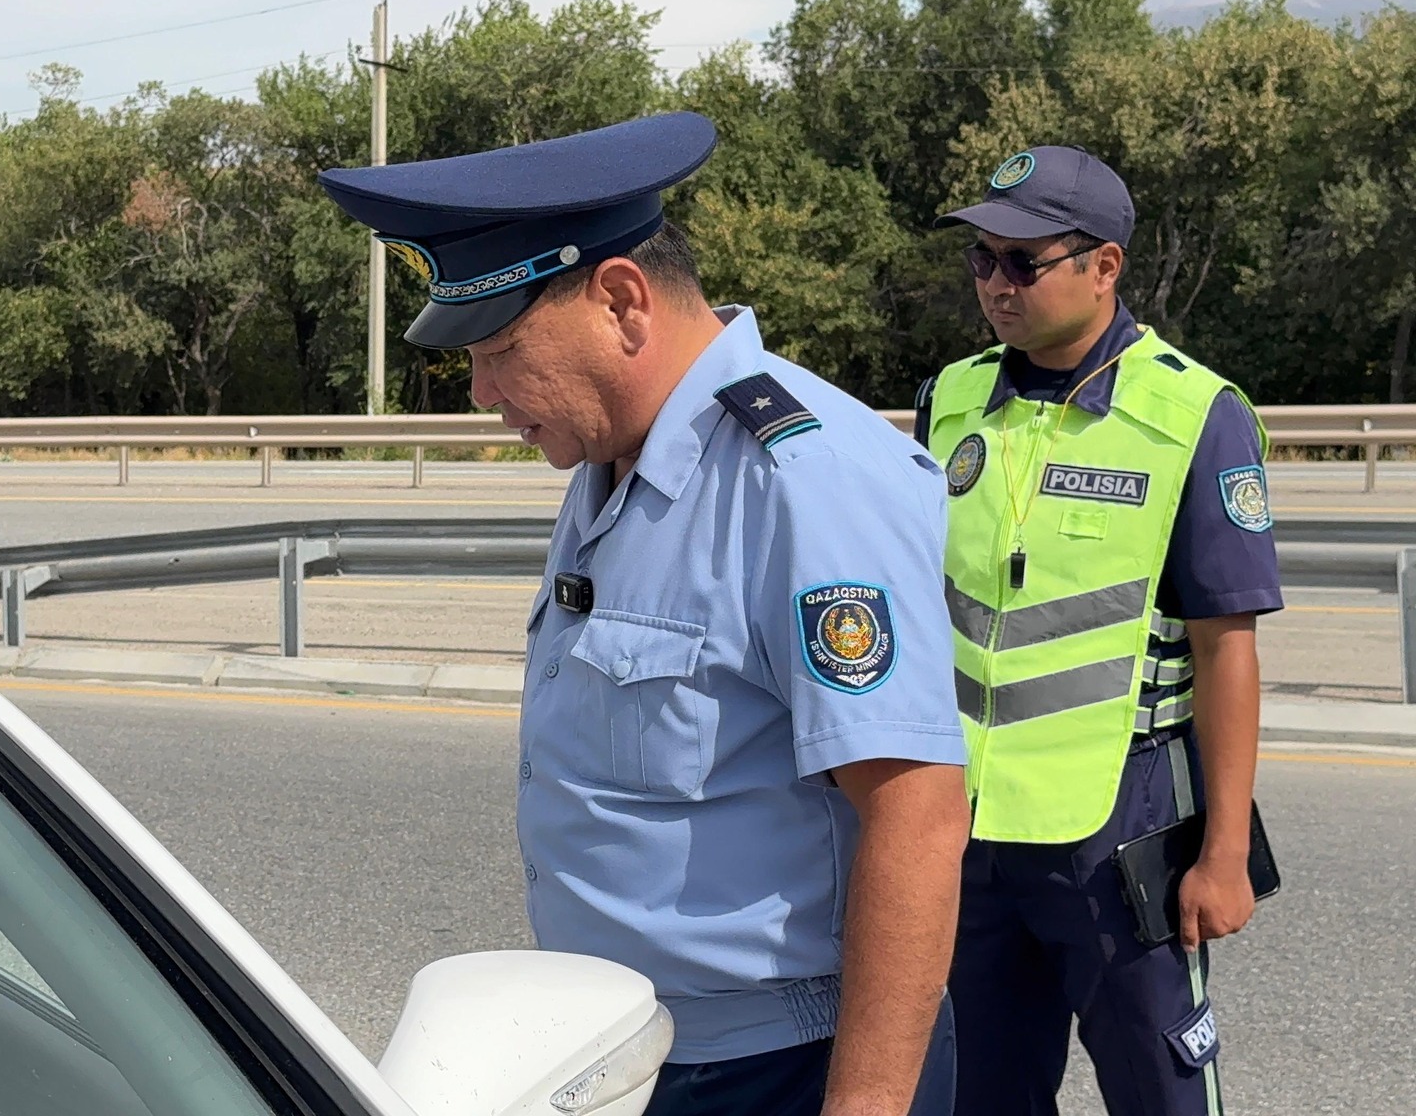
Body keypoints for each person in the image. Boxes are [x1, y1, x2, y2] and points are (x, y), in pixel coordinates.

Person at [319, 112, 972, 1116]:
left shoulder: (804, 483)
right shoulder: (612, 455)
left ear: (622, 302)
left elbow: (916, 817)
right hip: (628, 1050)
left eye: (500, 349)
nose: (481, 392)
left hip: (781, 1069)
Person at [916, 145, 1282, 1115]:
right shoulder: (949, 400)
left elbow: (1226, 647)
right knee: (977, 1092)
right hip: (967, 831)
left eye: (1021, 262)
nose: (995, 284)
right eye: (981, 259)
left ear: (1103, 266)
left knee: (1161, 1094)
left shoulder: (1192, 415)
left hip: (1119, 827)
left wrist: (1223, 852)